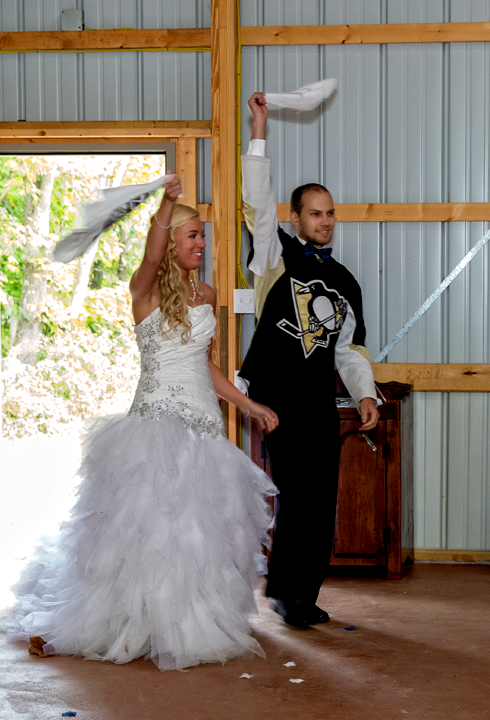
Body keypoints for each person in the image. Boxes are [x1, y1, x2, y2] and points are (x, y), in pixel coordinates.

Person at [3, 175, 278, 671]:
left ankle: (189, 619)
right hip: (154, 428)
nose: (200, 243)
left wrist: (248, 404)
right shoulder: (144, 292)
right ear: (171, 240)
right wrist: (166, 203)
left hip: (203, 431)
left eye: (202, 235)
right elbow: (151, 260)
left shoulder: (208, 292)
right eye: (191, 235)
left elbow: (205, 366)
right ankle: (131, 623)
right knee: (149, 534)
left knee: (197, 535)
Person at [239, 92, 379, 628]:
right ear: (295, 218)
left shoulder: (345, 281)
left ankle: (302, 592)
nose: (325, 221)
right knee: (296, 492)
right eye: (315, 213)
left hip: (320, 398)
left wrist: (364, 392)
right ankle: (285, 593)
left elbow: (350, 348)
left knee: (323, 499)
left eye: (331, 213)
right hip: (277, 395)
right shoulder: (275, 256)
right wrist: (260, 130)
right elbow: (257, 198)